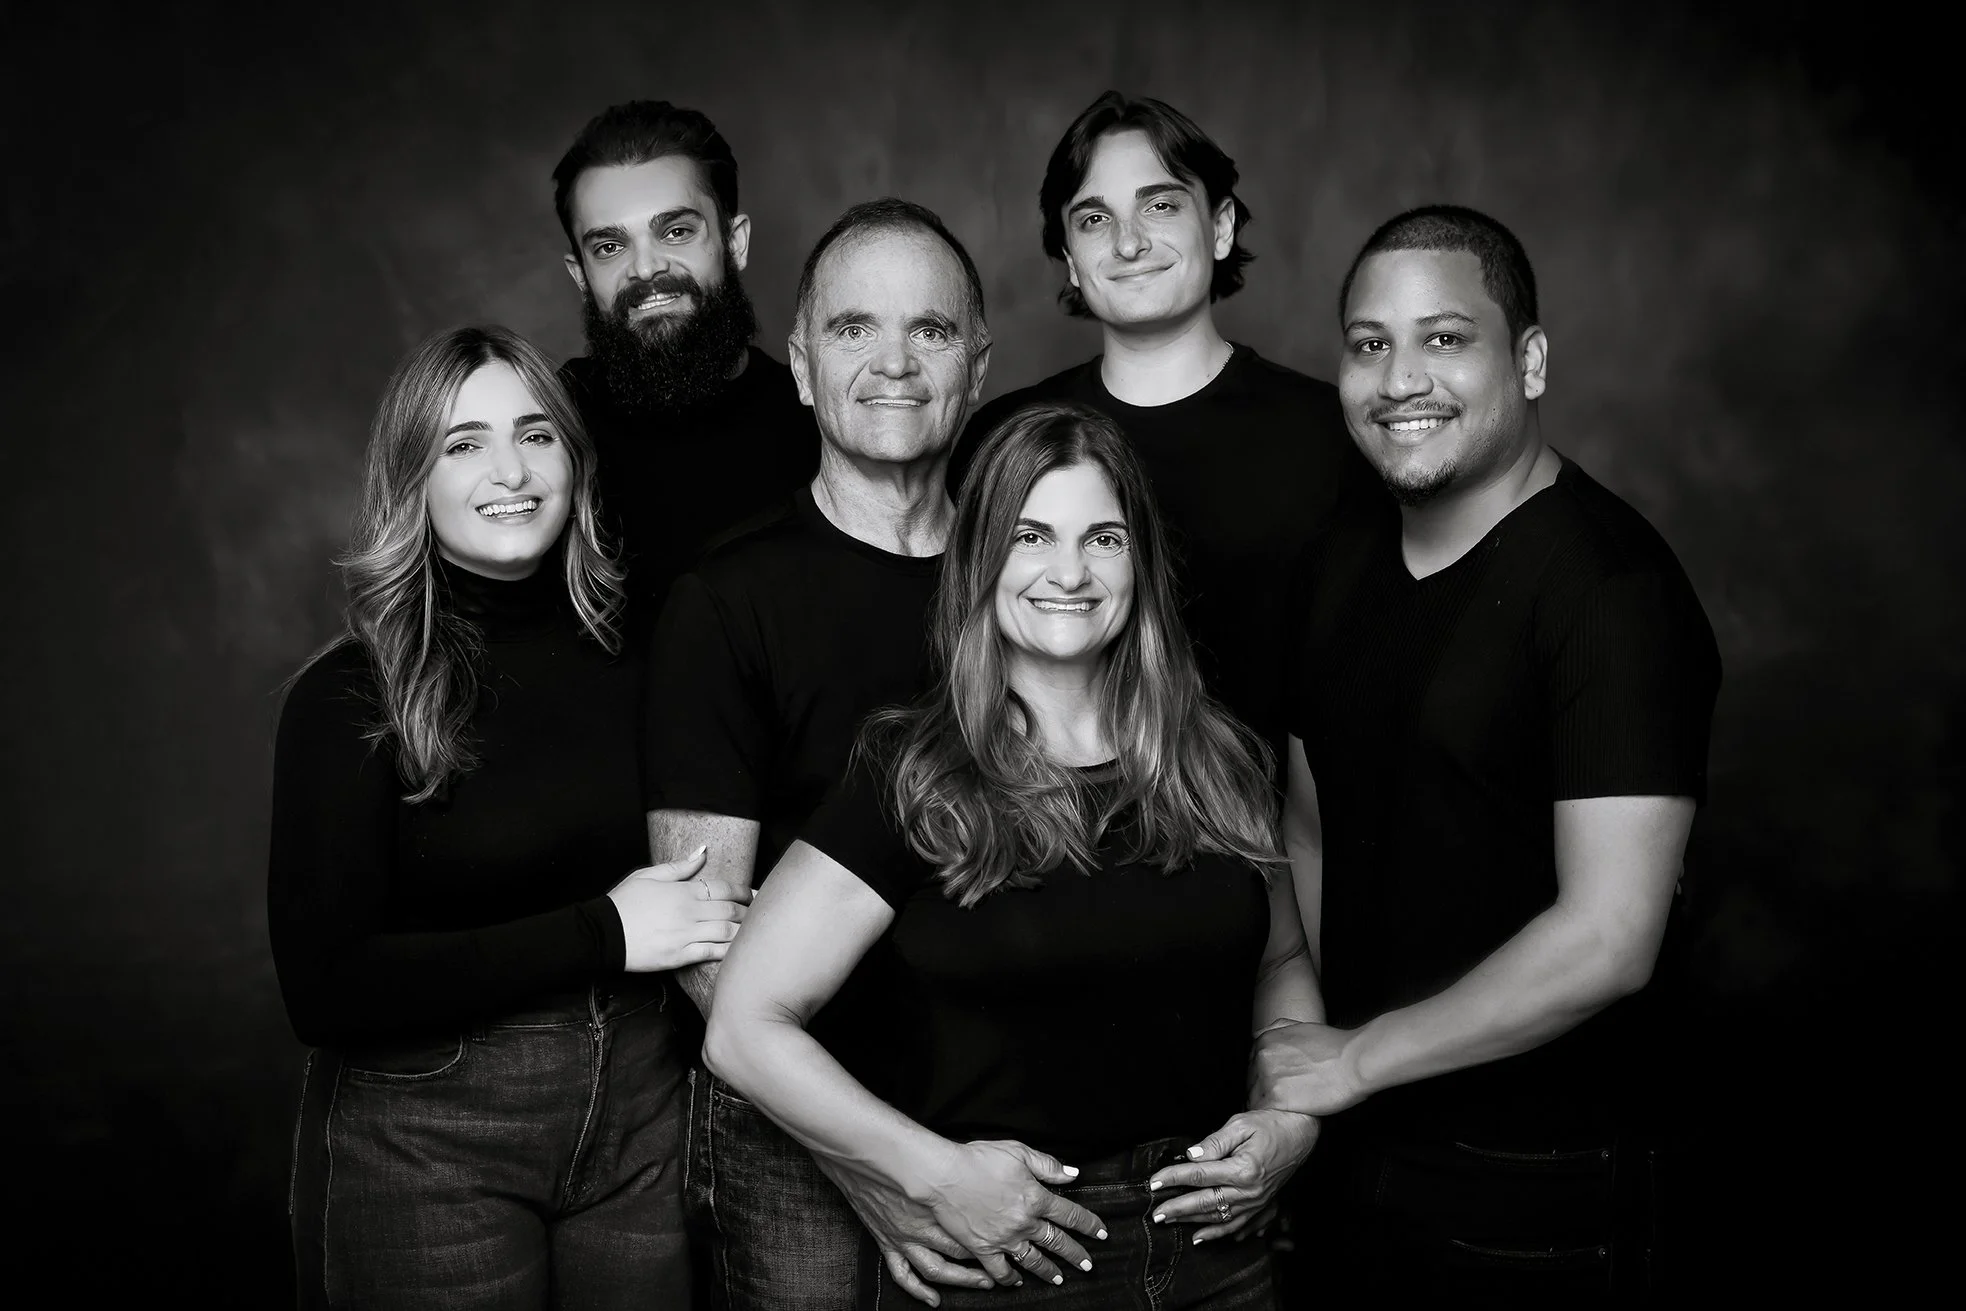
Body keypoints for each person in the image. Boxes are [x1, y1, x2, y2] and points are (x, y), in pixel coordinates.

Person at [706, 402, 1326, 1310]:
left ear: (1141, 563)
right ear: (981, 558)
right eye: (1031, 535)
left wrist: (1291, 1119)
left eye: (1103, 538)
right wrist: (928, 1174)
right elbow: (744, 1025)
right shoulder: (913, 775)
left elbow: (1282, 962)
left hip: (1216, 1251)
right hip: (1012, 1260)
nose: (1069, 571)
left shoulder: (1216, 759)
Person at [1253, 206, 1722, 1302]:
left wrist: (1352, 1062)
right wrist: (1301, 1052)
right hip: (1354, 1155)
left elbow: (1609, 938)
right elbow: (1309, 824)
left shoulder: (1612, 593)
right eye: (1369, 344)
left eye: (1445, 338)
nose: (1398, 377)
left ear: (1531, 358)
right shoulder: (1337, 561)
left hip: (1543, 1182)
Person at [269, 326, 751, 1309]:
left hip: (640, 1122)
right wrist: (603, 932)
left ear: (574, 460)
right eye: (463, 443)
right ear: (414, 478)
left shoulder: (654, 653)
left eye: (536, 435)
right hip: (429, 1139)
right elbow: (327, 988)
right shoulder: (350, 695)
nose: (509, 470)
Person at [640, 198, 991, 1308]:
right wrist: (874, 1162)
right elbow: (709, 948)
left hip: (1006, 1108)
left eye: (929, 331)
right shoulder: (726, 601)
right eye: (853, 330)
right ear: (799, 366)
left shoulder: (1035, 576)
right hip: (800, 1133)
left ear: (978, 366)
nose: (894, 362)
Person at [948, 90, 1367, 760]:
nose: (1129, 241)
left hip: (1269, 842)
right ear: (1068, 256)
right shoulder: (1004, 438)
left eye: (1161, 204)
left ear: (1221, 225)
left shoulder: (1333, 433)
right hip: (1048, 834)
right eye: (1093, 219)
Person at [551, 100, 818, 605]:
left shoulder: (820, 424)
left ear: (734, 243)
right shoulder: (547, 428)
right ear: (579, 276)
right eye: (609, 247)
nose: (646, 268)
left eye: (676, 231)